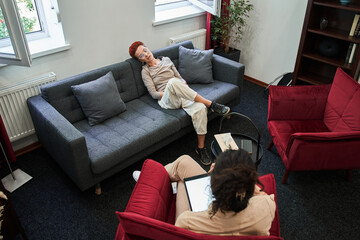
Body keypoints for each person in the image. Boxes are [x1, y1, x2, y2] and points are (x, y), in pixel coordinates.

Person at [129, 41, 230, 165]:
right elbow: (154, 93)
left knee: (200, 109)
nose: (146, 54)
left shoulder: (166, 59)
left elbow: (179, 77)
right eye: (141, 56)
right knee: (172, 82)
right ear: (140, 60)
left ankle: (201, 148)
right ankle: (211, 104)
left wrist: (184, 86)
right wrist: (171, 89)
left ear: (147, 48)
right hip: (166, 99)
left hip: (180, 93)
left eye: (144, 50)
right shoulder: (145, 71)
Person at [134, 149, 276, 236]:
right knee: (184, 163)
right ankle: (168, 181)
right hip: (225, 208)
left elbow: (180, 231)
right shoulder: (267, 205)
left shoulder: (186, 220)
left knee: (182, 177)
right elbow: (259, 194)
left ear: (212, 188)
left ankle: (157, 179)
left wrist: (215, 177)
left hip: (202, 219)